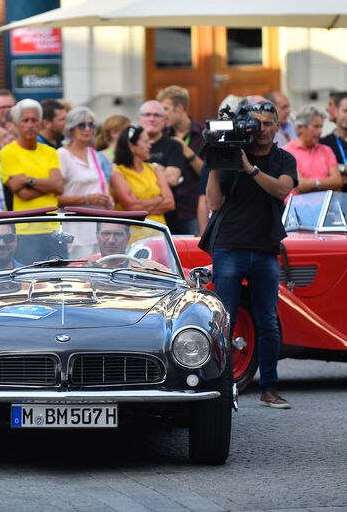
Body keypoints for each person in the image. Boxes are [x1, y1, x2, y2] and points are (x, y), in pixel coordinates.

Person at [200, 100, 297, 409]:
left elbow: (282, 190)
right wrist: (218, 163)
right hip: (229, 246)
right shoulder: (232, 155)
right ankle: (221, 387)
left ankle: (269, 389)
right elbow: (214, 203)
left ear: (278, 125)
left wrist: (249, 169)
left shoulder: (283, 159)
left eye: (269, 124)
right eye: (257, 124)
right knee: (223, 321)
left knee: (268, 321)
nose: (263, 130)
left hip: (265, 248)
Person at [0, 99, 65, 263]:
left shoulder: (50, 152)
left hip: (52, 228)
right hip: (23, 231)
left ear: (41, 123)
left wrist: (27, 180)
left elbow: (59, 186)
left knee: (58, 282)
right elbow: (23, 194)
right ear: (16, 123)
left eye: (34, 120)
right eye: (25, 120)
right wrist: (48, 185)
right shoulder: (8, 152)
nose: (30, 125)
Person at [56, 106, 114, 256]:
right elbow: (54, 199)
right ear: (71, 129)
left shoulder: (93, 154)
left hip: (99, 228)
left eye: (91, 124)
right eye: (82, 125)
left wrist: (106, 200)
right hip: (74, 229)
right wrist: (87, 198)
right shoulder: (61, 155)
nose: (87, 129)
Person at [158, 85, 206, 235]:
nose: (162, 115)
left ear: (179, 107)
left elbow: (207, 173)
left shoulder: (203, 135)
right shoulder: (162, 135)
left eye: (165, 109)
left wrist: (185, 150)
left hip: (191, 209)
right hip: (164, 211)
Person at [110, 125, 174, 226]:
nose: (150, 145)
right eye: (145, 142)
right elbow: (132, 206)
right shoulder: (117, 173)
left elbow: (170, 203)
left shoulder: (154, 169)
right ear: (132, 147)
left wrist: (140, 211)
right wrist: (159, 199)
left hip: (159, 232)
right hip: (132, 234)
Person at [284, 105, 343, 195]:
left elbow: (338, 181)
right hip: (299, 208)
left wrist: (314, 184)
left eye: (321, 127)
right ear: (301, 127)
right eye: (316, 127)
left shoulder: (326, 150)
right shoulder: (286, 152)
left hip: (326, 207)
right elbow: (300, 186)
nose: (320, 131)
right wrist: (326, 183)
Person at [320, 94, 347, 192]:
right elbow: (322, 171)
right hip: (331, 200)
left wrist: (337, 168)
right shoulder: (323, 143)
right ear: (336, 112)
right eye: (345, 111)